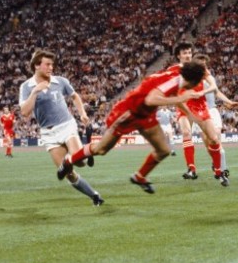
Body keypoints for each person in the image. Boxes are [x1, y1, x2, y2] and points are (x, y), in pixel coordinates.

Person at [57, 61, 208, 193]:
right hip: (128, 112)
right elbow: (151, 99)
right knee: (101, 150)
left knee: (164, 150)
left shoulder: (179, 71)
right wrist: (182, 98)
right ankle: (68, 161)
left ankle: (139, 177)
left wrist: (188, 109)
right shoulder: (175, 82)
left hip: (146, 114)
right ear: (193, 81)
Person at [19, 49, 104, 206]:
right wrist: (35, 92)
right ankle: (94, 195)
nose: (51, 68)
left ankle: (83, 152)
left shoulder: (60, 81)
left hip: (66, 125)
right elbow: (24, 112)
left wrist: (83, 113)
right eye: (47, 64)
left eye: (52, 65)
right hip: (48, 133)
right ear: (37, 65)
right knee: (69, 174)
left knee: (80, 162)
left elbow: (75, 96)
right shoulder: (27, 86)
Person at [169, 43, 233, 185]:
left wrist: (202, 92)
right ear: (178, 55)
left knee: (214, 140)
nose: (187, 55)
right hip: (183, 105)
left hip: (200, 106)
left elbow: (213, 85)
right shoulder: (172, 70)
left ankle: (218, 171)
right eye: (184, 52)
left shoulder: (199, 68)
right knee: (186, 133)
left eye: (189, 52)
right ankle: (191, 169)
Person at [189, 53, 238, 177]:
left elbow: (216, 91)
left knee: (216, 139)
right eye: (201, 62)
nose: (203, 65)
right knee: (208, 145)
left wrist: (228, 101)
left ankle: (223, 169)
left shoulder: (209, 76)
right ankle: (216, 163)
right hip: (199, 112)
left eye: (205, 63)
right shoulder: (191, 78)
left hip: (212, 111)